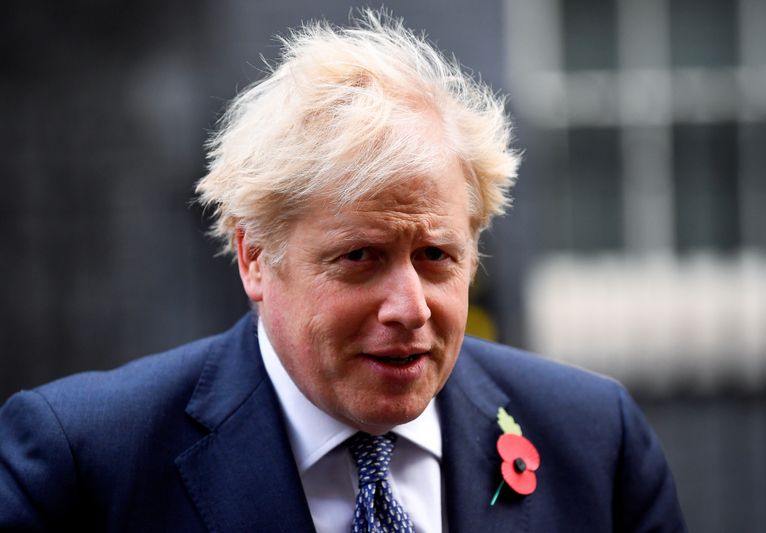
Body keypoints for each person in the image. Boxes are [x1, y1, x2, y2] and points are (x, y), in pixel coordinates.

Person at [0, 10, 686, 532]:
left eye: (436, 256)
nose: (411, 307)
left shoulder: (595, 444)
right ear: (254, 258)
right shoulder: (83, 463)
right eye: (361, 257)